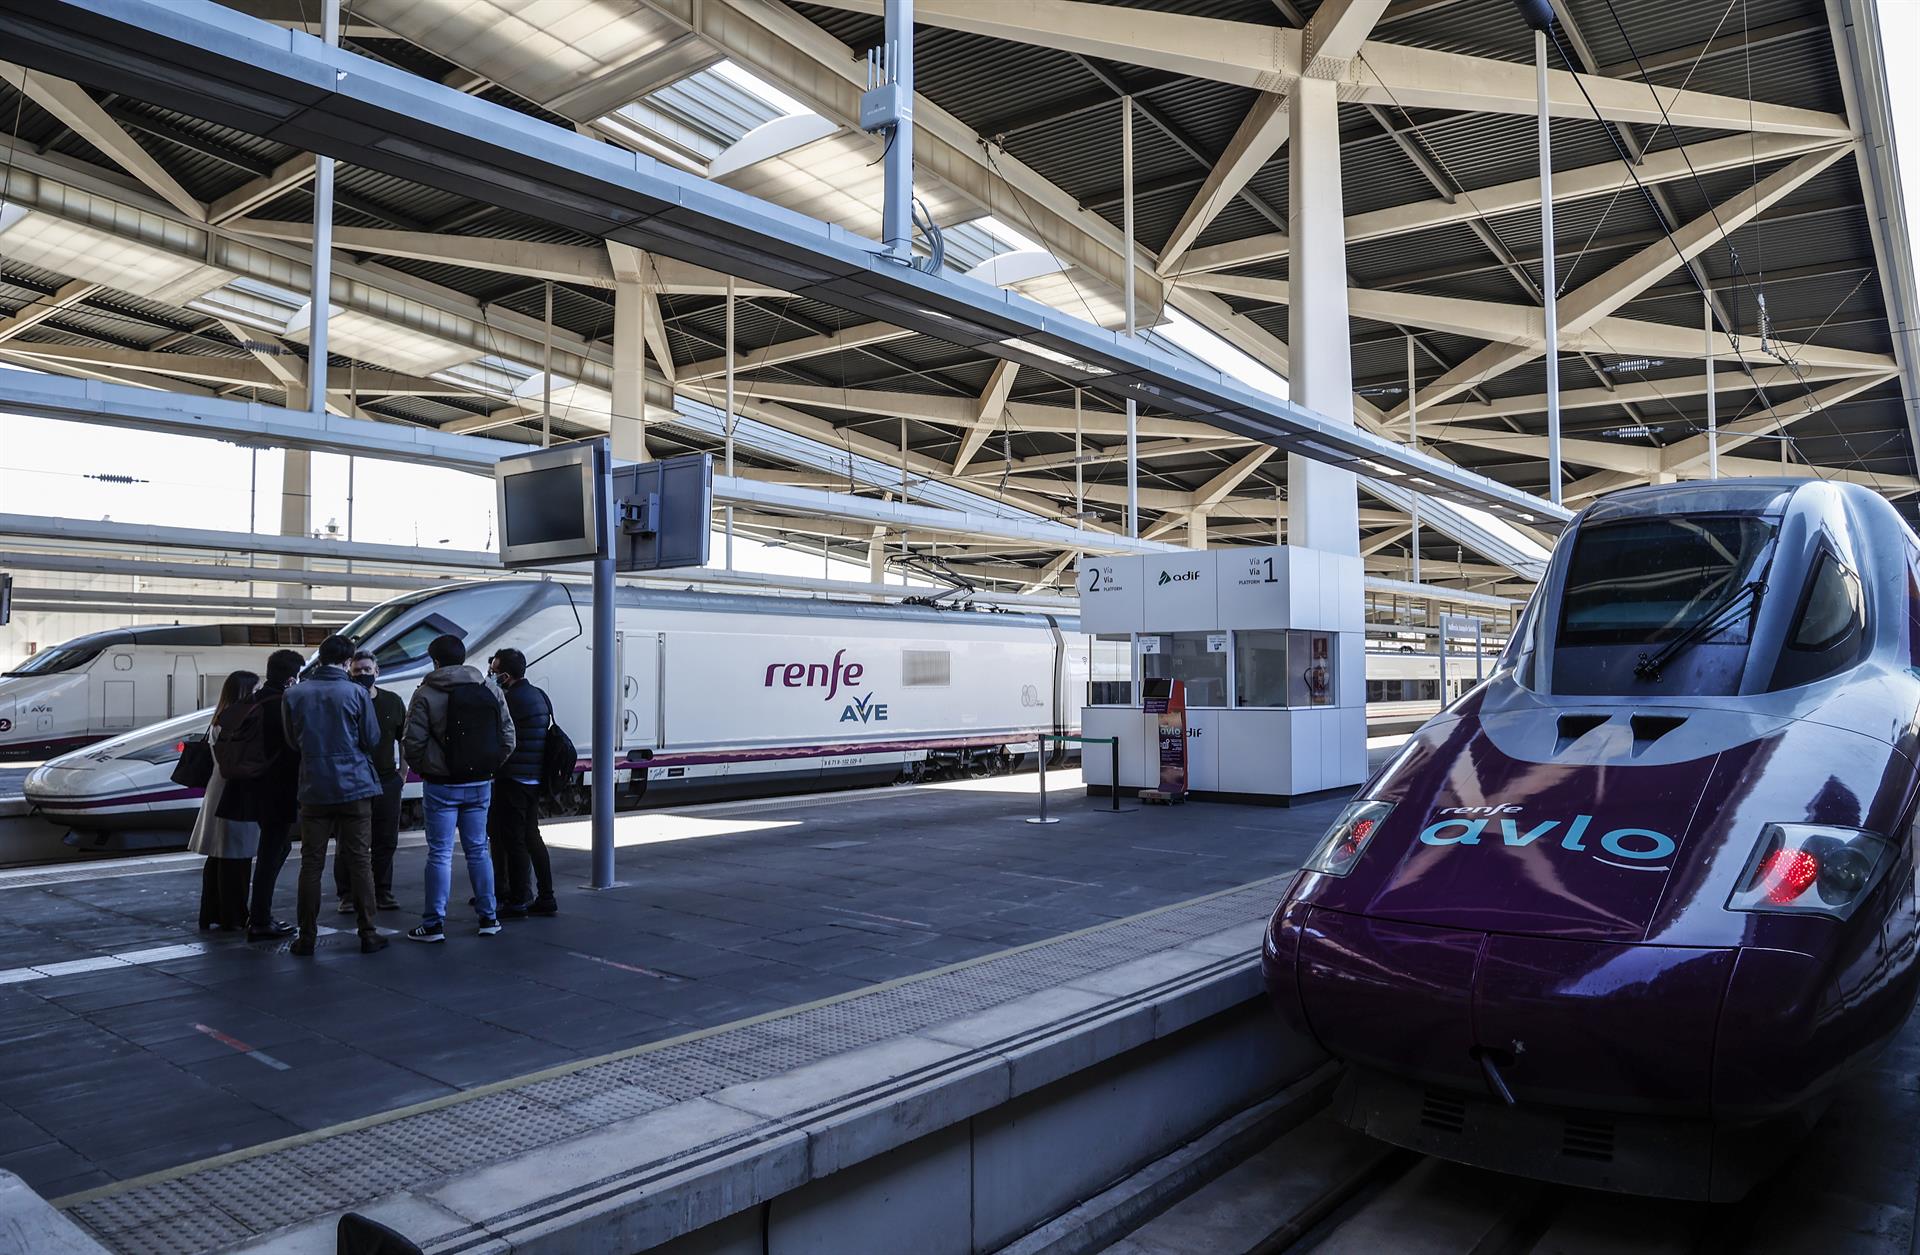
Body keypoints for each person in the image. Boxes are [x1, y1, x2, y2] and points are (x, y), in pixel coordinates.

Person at [402, 633, 514, 942]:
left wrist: (430, 769)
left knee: (439, 853)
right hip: (480, 783)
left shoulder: (425, 693)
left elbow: (412, 742)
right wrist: (488, 767)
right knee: (478, 849)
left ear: (435, 661)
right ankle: (489, 918)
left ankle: (434, 924)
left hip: (441, 786)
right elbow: (508, 736)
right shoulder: (489, 688)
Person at [281, 635, 387, 956]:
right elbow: (372, 738)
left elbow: (291, 741)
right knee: (360, 860)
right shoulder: (356, 692)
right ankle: (368, 933)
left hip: (314, 788)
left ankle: (307, 937)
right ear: (346, 662)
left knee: (311, 863)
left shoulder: (294, 694)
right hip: (355, 786)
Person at [218, 648, 302, 941]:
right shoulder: (283, 704)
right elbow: (293, 748)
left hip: (249, 786)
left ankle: (259, 916)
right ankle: (261, 920)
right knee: (271, 852)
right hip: (278, 788)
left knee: (276, 848)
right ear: (292, 678)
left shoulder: (251, 700)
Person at [487, 648, 557, 917]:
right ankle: (546, 896)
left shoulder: (510, 700)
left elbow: (499, 735)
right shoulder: (539, 695)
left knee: (513, 840)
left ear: (505, 674)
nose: (492, 675)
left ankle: (518, 899)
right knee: (531, 836)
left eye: (494, 671)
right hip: (533, 778)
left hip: (513, 778)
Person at [189, 671, 260, 932]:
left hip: (217, 788)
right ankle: (234, 916)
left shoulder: (219, 718)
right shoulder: (240, 722)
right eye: (256, 688)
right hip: (235, 791)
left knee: (218, 857)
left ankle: (210, 913)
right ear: (245, 692)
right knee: (236, 858)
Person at [337, 651, 406, 914]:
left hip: (387, 780)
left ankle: (382, 891)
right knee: (349, 840)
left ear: (377, 671)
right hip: (354, 781)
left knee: (386, 839)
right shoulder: (344, 702)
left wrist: (402, 773)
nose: (363, 675)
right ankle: (348, 894)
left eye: (367, 670)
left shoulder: (392, 701)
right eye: (357, 671)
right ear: (349, 673)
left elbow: (404, 738)